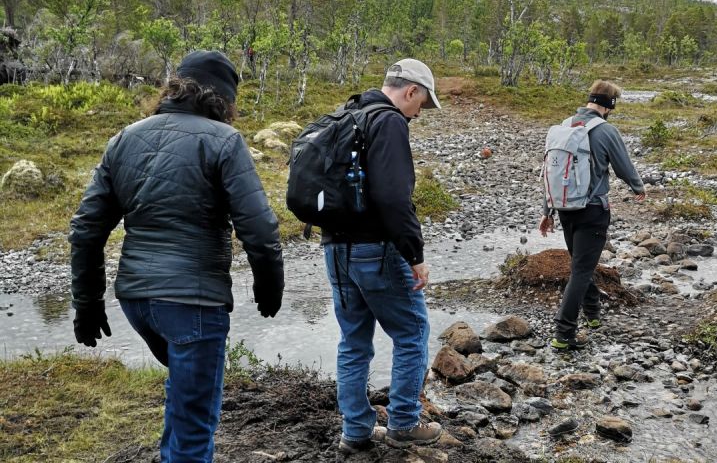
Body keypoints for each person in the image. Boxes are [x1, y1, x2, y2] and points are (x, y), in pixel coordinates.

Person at [69, 50, 284, 462]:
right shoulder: (224, 140)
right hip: (194, 302)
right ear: (222, 99)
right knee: (194, 422)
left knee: (184, 395)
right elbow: (260, 229)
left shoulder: (125, 137)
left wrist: (88, 302)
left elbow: (86, 230)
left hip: (136, 302)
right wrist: (269, 286)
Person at [322, 58, 444, 454]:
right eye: (421, 105)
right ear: (411, 91)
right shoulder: (389, 121)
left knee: (353, 341)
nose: (418, 115)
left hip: (335, 249)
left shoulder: (347, 113)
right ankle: (404, 422)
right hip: (375, 249)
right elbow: (393, 198)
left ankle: (356, 430)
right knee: (412, 333)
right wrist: (415, 254)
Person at [538, 79, 646, 351]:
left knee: (581, 266)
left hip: (564, 209)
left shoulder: (564, 127)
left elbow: (552, 173)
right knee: (582, 270)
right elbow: (623, 166)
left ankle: (593, 313)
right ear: (609, 106)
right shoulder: (606, 130)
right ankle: (564, 334)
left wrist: (547, 211)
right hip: (593, 211)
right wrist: (638, 187)